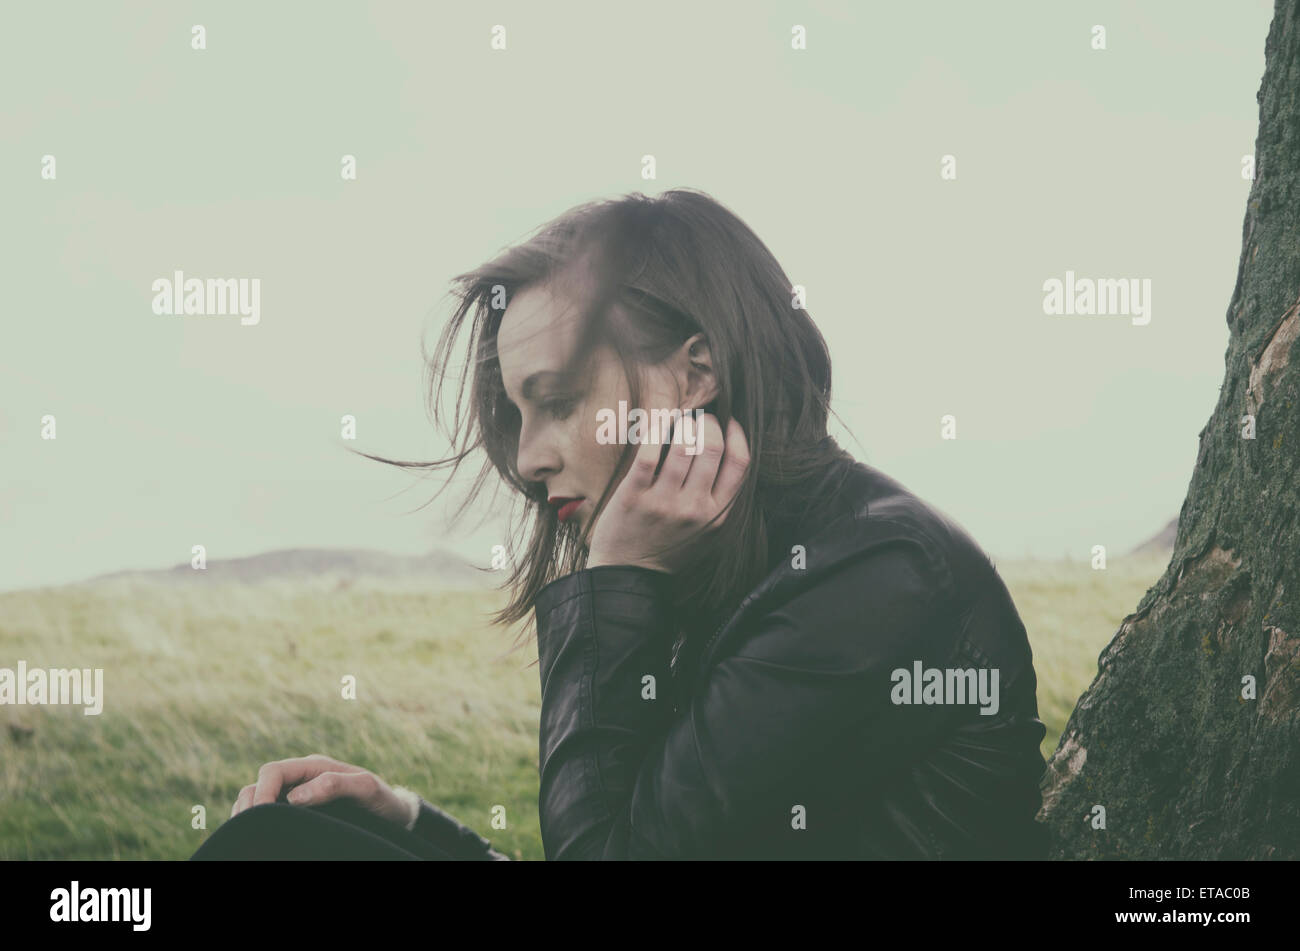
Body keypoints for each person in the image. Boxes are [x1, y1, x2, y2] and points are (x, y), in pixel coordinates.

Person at [192, 188, 1049, 861]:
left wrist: (614, 582)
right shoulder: (736, 566)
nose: (528, 459)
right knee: (300, 835)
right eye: (520, 416)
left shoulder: (875, 574)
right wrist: (408, 822)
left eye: (557, 403)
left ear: (696, 372)